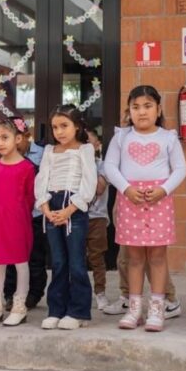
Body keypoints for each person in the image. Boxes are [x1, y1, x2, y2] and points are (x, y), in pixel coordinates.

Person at [105, 86, 186, 332]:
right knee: (134, 258)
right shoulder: (121, 137)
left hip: (159, 202)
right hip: (130, 201)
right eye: (136, 107)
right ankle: (134, 309)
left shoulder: (168, 138)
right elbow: (110, 166)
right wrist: (126, 189)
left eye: (148, 106)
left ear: (158, 109)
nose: (142, 112)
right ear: (129, 111)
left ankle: (157, 309)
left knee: (158, 257)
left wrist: (164, 189)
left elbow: (181, 169)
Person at [36, 105, 97, 330]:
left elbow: (89, 183)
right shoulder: (49, 151)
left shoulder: (85, 149)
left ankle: (78, 312)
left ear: (77, 126)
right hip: (51, 207)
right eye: (55, 127)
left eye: (64, 126)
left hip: (74, 207)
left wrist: (70, 210)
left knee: (76, 262)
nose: (59, 132)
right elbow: (41, 179)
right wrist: (45, 208)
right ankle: (56, 310)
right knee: (58, 262)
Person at [0, 118, 35, 326]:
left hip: (18, 220)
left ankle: (19, 306)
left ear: (18, 139)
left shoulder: (27, 168)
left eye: (5, 137)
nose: (0, 143)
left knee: (21, 262)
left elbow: (30, 197)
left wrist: (19, 213)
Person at [3, 121, 47, 309]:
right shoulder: (6, 155)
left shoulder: (44, 154)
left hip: (36, 213)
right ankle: (10, 294)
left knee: (36, 256)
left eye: (16, 138)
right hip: (14, 214)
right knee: (11, 256)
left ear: (26, 135)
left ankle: (34, 294)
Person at [86, 128, 110, 310]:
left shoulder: (103, 165)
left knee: (97, 257)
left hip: (97, 218)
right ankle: (79, 292)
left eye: (89, 142)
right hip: (76, 216)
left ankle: (100, 292)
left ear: (97, 145)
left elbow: (99, 189)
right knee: (75, 257)